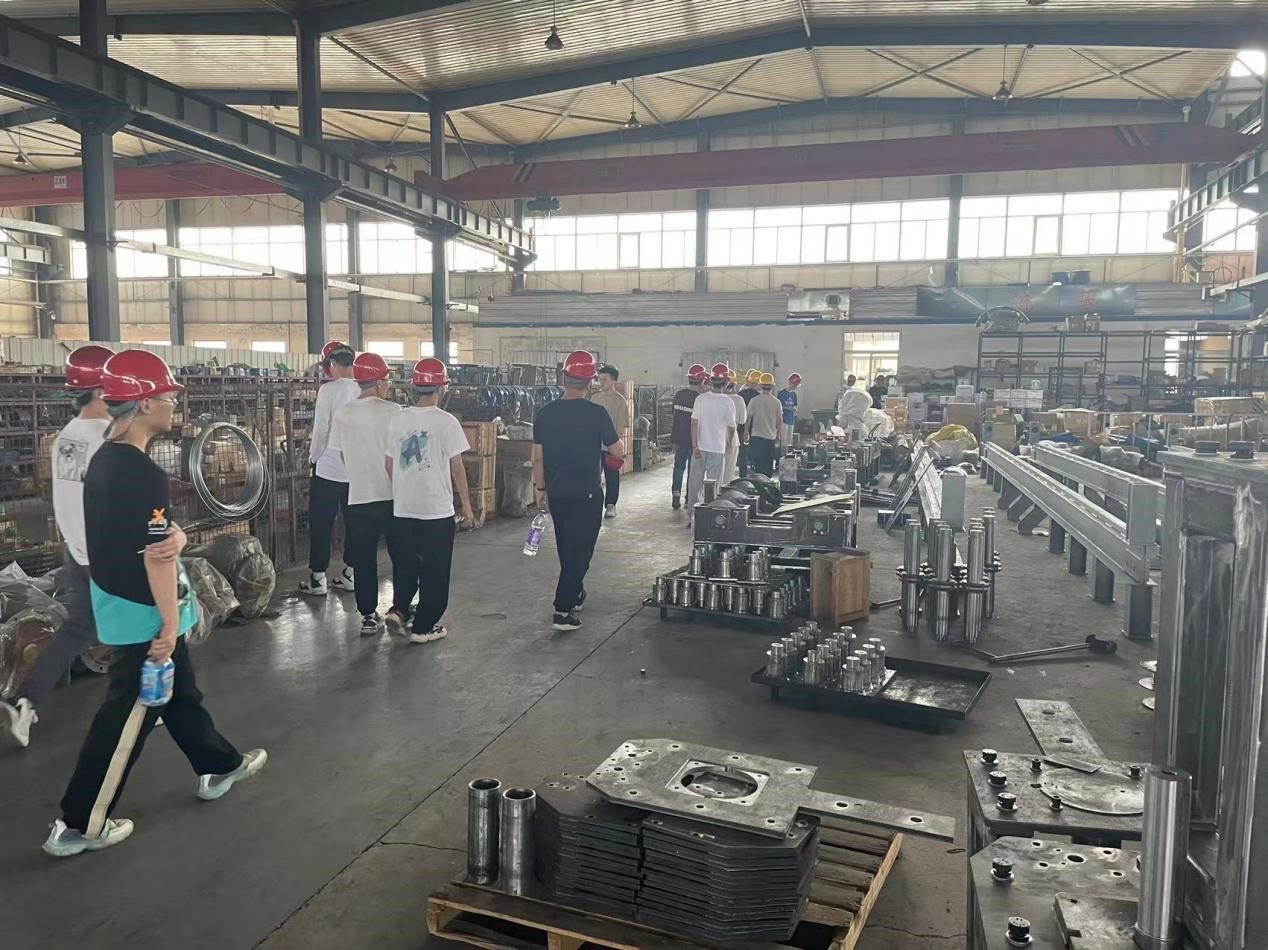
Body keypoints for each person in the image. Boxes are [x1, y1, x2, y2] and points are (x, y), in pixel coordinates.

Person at [44, 349, 265, 858]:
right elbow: (156, 557)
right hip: (142, 609)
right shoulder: (143, 473)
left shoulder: (105, 459)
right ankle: (78, 824)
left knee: (180, 694)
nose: (173, 406)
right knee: (128, 713)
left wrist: (177, 536)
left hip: (117, 595)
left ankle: (219, 765)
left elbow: (146, 533)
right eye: (167, 397)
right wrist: (167, 624)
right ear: (143, 404)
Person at [1, 345, 113, 749]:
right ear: (101, 390)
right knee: (145, 625)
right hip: (106, 553)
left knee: (79, 629)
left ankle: (26, 702)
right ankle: (145, 705)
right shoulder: (107, 438)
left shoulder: (66, 436)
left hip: (77, 550)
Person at [384, 358, 474, 644]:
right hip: (436, 510)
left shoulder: (398, 419)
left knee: (406, 564)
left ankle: (400, 609)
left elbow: (389, 464)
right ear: (442, 388)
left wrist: (403, 490)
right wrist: (467, 507)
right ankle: (423, 626)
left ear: (415, 387)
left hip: (403, 509)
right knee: (435, 569)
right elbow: (457, 468)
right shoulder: (447, 422)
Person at [532, 351, 623, 632]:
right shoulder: (597, 414)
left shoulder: (545, 413)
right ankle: (562, 610)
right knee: (580, 550)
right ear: (590, 382)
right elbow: (618, 450)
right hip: (587, 494)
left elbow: (537, 458)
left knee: (567, 546)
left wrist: (540, 489)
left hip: (557, 493)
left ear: (564, 378)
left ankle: (576, 592)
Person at [327, 352, 407, 636]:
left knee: (364, 560)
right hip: (393, 497)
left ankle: (368, 616)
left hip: (359, 497)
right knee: (402, 556)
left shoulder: (343, 413)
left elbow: (342, 455)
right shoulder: (394, 411)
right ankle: (400, 609)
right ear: (381, 382)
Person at [299, 340, 358, 596]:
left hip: (328, 469)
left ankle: (318, 579)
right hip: (356, 470)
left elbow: (321, 429)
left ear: (332, 364)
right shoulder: (364, 388)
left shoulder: (328, 391)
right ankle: (351, 574)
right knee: (354, 523)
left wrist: (313, 457)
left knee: (321, 523)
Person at [689, 363, 737, 518]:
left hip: (700, 448)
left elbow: (694, 423)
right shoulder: (728, 402)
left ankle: (693, 515)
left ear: (710, 380)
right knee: (713, 484)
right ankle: (711, 516)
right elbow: (731, 427)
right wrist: (729, 444)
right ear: (726, 382)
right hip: (717, 448)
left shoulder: (700, 399)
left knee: (695, 483)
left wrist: (695, 446)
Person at [590, 364, 630, 519]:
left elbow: (620, 428)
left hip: (611, 446)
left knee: (612, 476)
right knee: (593, 477)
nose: (601, 382)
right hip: (594, 446)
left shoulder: (620, 401)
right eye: (599, 379)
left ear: (613, 381)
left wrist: (616, 447)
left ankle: (611, 505)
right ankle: (593, 504)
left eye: (604, 379)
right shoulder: (595, 399)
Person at [670, 364, 707, 510]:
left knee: (679, 466)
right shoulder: (700, 399)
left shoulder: (679, 394)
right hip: (694, 440)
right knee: (693, 469)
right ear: (702, 381)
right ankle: (688, 498)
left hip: (678, 437)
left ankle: (676, 492)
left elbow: (673, 415)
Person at [748, 373, 783, 476]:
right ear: (772, 386)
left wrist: (746, 431)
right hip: (770, 437)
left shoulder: (754, 400)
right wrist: (778, 435)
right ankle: (767, 482)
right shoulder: (777, 402)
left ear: (760, 385)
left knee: (758, 463)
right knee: (768, 463)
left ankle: (759, 481)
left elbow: (748, 417)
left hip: (756, 436)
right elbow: (779, 420)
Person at [721, 375, 748, 485]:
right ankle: (724, 491)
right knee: (728, 471)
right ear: (734, 385)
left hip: (715, 439)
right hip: (731, 439)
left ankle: (712, 492)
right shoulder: (739, 400)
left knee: (714, 472)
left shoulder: (716, 398)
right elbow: (742, 420)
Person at [737, 370, 761, 476]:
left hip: (741, 427)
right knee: (755, 451)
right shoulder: (759, 397)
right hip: (755, 428)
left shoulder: (740, 394)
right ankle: (755, 474)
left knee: (742, 451)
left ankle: (743, 474)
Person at [777, 373, 801, 447]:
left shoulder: (794, 394)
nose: (796, 387)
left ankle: (788, 453)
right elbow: (778, 407)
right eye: (795, 385)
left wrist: (794, 409)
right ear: (790, 383)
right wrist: (788, 408)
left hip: (791, 420)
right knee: (783, 441)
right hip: (783, 420)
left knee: (789, 442)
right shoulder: (782, 393)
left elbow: (795, 406)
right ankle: (782, 452)